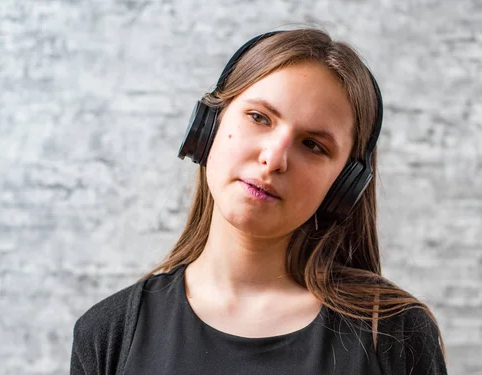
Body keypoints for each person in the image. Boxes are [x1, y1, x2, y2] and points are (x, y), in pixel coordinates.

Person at [70, 28, 448, 375]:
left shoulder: (396, 334)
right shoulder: (109, 334)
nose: (274, 158)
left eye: (313, 145)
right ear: (208, 129)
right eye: (259, 117)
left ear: (343, 187)